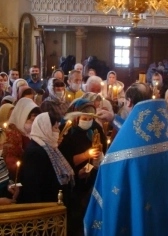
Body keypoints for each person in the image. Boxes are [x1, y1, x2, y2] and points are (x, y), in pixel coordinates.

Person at [84, 83, 168, 235]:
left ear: (129, 102)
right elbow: (136, 136)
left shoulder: (130, 144)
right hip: (161, 202)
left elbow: (109, 168)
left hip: (139, 201)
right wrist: (113, 118)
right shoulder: (161, 128)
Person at [59, 99, 107, 235]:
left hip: (93, 179)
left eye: (90, 118)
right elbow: (64, 159)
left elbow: (103, 148)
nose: (87, 121)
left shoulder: (96, 128)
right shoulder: (68, 131)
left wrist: (99, 158)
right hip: (74, 183)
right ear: (76, 116)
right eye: (84, 118)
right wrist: (86, 155)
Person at [18, 113, 74, 205]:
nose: (58, 131)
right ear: (45, 129)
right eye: (55, 128)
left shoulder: (49, 147)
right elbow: (33, 188)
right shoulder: (35, 153)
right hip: (45, 207)